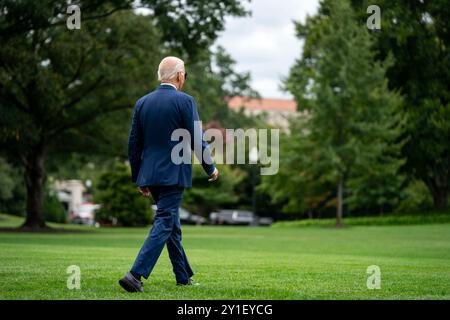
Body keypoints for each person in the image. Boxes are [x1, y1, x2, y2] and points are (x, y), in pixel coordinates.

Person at [119, 56, 219, 292]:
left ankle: (183, 277)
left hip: (151, 174)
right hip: (174, 173)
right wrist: (210, 167)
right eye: (185, 74)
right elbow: (196, 137)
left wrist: (139, 177)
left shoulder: (142, 103)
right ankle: (135, 275)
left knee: (171, 225)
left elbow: (134, 144)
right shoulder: (185, 101)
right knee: (165, 222)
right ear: (179, 75)